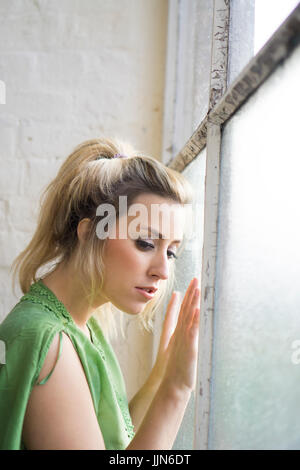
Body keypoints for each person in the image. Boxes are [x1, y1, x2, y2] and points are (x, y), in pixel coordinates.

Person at [0, 137, 201, 450]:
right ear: (89, 232)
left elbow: (114, 444)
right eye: (146, 243)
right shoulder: (50, 341)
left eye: (171, 252)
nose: (163, 270)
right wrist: (177, 389)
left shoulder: (82, 325)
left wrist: (162, 374)